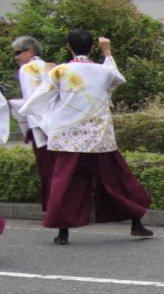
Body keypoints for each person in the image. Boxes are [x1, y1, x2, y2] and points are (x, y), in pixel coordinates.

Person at [20, 29, 153, 245]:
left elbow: (40, 97)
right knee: (117, 181)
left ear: (68, 46)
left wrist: (31, 107)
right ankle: (136, 223)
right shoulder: (102, 71)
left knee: (65, 183)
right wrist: (107, 53)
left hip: (68, 137)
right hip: (99, 136)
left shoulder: (61, 71)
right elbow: (118, 80)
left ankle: (63, 232)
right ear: (92, 48)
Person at [11, 35, 55, 210]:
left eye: (18, 53)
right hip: (56, 124)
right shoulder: (48, 67)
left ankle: (52, 206)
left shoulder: (27, 69)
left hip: (39, 126)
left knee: (47, 169)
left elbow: (32, 100)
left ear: (30, 51)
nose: (16, 57)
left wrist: (11, 104)